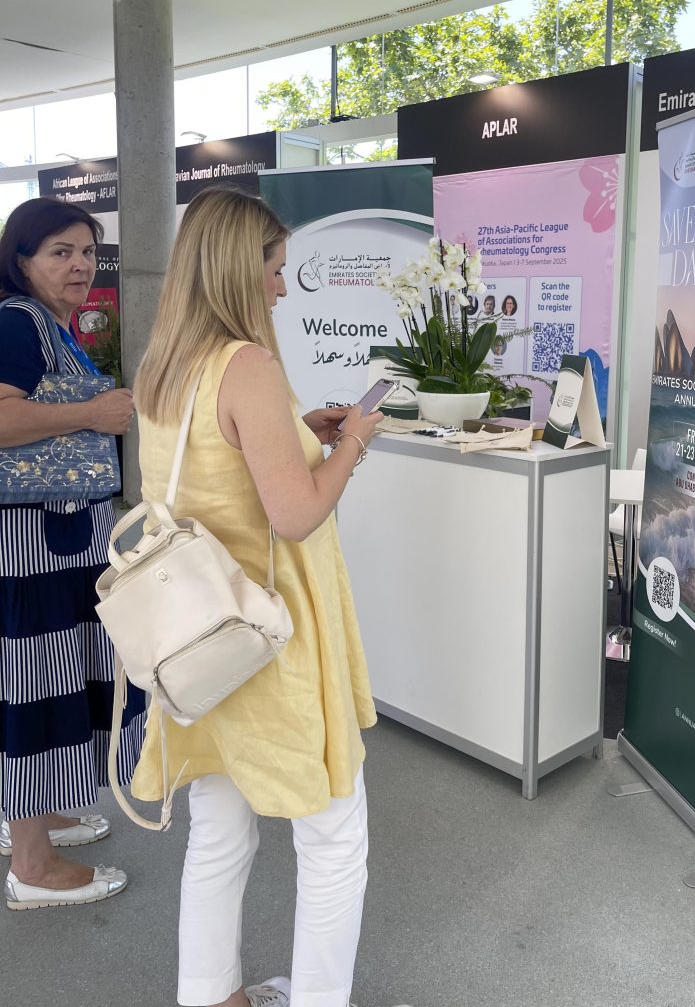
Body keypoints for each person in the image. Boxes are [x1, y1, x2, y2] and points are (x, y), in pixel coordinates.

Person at [131, 188, 409, 1007]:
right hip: (267, 637)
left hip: (197, 638)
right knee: (333, 835)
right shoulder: (246, 366)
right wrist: (353, 442)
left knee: (219, 832)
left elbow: (219, 471)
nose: (284, 287)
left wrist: (300, 436)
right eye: (276, 270)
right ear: (235, 269)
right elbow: (294, 516)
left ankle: (210, 995)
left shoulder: (165, 366)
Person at [0, 196, 143, 910]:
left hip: (59, 542)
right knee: (34, 687)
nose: (80, 264)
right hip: (32, 548)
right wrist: (93, 412)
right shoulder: (18, 322)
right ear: (22, 260)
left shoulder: (52, 326)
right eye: (60, 251)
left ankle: (35, 816)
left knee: (50, 684)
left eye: (87, 251)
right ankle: (32, 866)